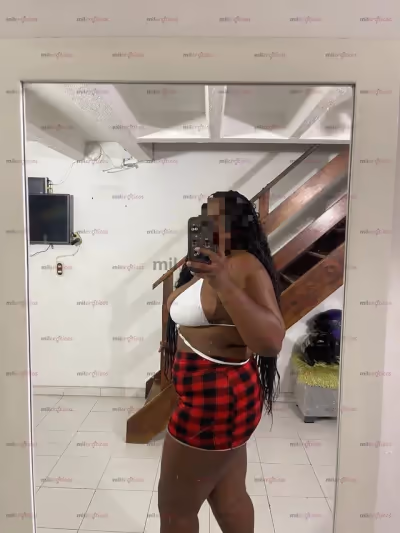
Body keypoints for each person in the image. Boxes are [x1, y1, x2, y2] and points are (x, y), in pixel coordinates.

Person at [158, 191, 285, 533]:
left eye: (217, 217)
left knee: (174, 510)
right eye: (204, 216)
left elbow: (271, 340)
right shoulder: (211, 263)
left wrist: (222, 281)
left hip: (214, 400)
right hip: (216, 397)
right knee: (229, 499)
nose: (208, 223)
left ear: (236, 226)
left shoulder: (242, 265)